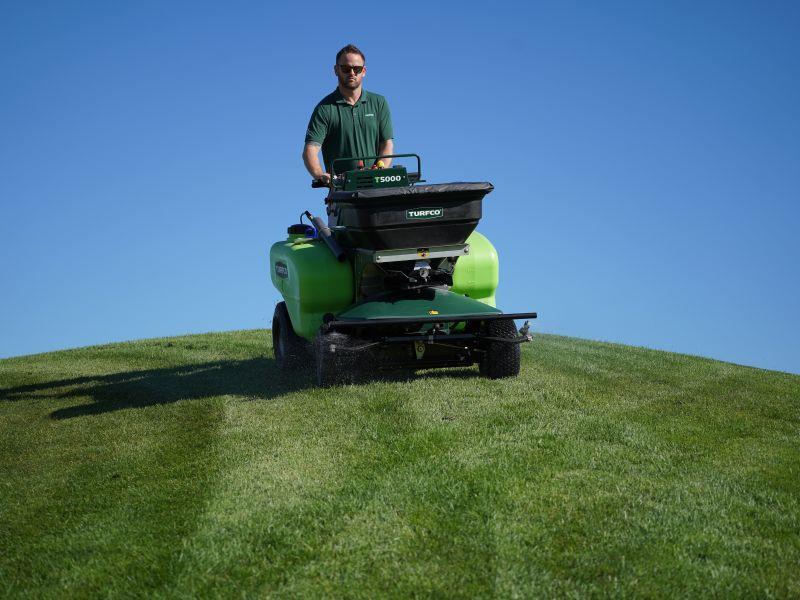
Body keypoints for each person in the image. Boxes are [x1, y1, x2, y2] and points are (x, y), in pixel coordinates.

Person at [303, 44, 394, 185]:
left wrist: (380, 167)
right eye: (346, 68)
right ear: (336, 70)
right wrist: (320, 174)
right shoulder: (325, 108)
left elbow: (387, 143)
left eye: (357, 69)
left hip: (377, 190)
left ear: (364, 71)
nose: (352, 73)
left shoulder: (379, 102)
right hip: (342, 194)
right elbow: (310, 149)